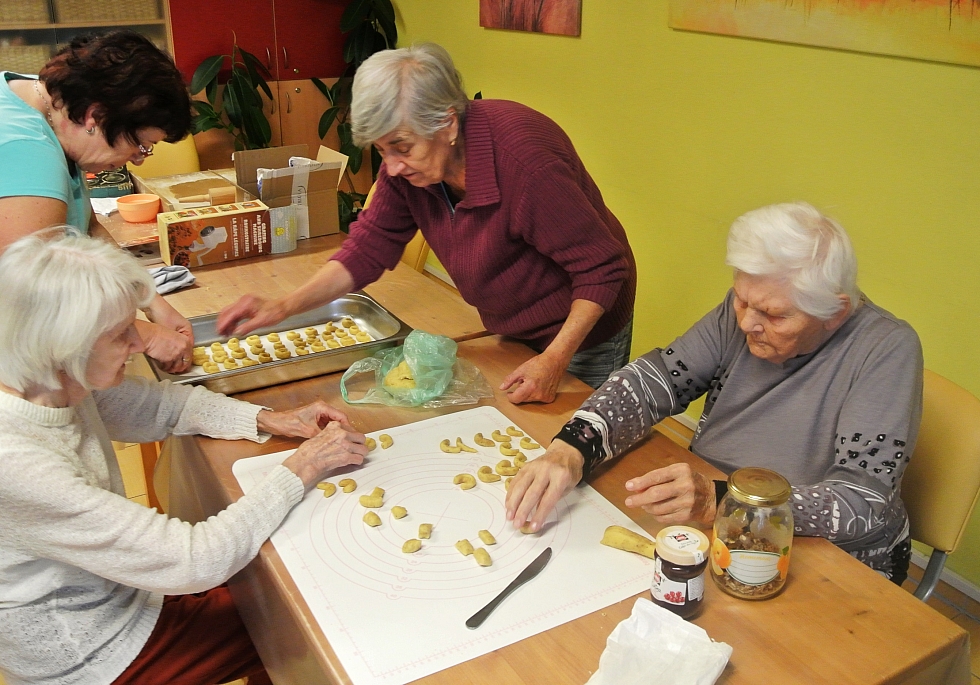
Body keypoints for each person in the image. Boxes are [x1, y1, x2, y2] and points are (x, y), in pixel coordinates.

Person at [0, 230, 369, 685]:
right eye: (120, 335)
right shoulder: (17, 461)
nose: (140, 343)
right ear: (64, 348)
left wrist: (272, 419)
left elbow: (158, 406)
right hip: (93, 653)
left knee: (270, 583)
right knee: (298, 622)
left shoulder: (49, 381)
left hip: (125, 591)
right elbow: (192, 560)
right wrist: (304, 465)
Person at [506, 202, 922, 584]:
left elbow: (863, 502)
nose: (747, 324)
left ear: (835, 312)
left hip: (816, 548)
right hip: (714, 518)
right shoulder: (748, 308)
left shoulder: (886, 349)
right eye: (741, 301)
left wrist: (725, 502)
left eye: (774, 315)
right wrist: (572, 448)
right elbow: (655, 380)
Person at [218, 43, 636, 403]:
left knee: (577, 442)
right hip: (513, 323)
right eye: (382, 150)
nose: (392, 167)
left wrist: (555, 358)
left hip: (581, 327)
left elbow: (601, 268)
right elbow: (369, 246)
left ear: (447, 123)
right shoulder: (410, 166)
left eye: (401, 147)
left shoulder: (524, 162)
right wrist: (284, 307)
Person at [0, 30, 196, 374]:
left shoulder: (53, 106)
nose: (139, 160)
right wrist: (142, 335)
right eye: (141, 145)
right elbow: (34, 294)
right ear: (95, 117)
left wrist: (150, 300)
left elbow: (88, 229)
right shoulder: (26, 149)